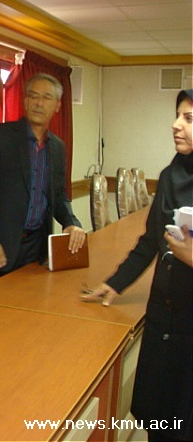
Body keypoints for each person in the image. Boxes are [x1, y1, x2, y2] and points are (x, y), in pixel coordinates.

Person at [81, 89, 193, 441]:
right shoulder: (171, 175)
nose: (175, 125)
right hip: (163, 316)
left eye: (189, 119)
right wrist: (115, 283)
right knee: (159, 418)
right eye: (177, 115)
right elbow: (150, 241)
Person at [0, 72, 86, 287]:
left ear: (57, 106)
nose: (39, 103)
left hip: (35, 248)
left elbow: (59, 194)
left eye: (46, 97)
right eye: (33, 96)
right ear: (25, 101)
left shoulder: (58, 147)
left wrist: (71, 223)